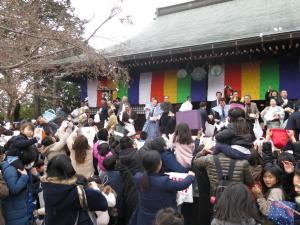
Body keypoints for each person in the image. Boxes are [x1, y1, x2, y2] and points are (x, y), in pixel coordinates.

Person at [129, 151, 195, 225]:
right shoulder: (163, 182)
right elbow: (182, 184)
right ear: (159, 164)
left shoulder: (138, 178)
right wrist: (191, 176)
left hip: (144, 217)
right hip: (163, 219)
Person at [41, 154, 108, 225]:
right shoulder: (77, 192)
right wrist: (95, 188)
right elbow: (103, 204)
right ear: (69, 167)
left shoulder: (46, 186)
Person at [2, 147, 38, 225]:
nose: (33, 163)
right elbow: (14, 189)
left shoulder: (23, 167)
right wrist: (24, 177)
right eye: (32, 161)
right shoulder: (11, 169)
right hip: (15, 215)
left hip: (23, 211)